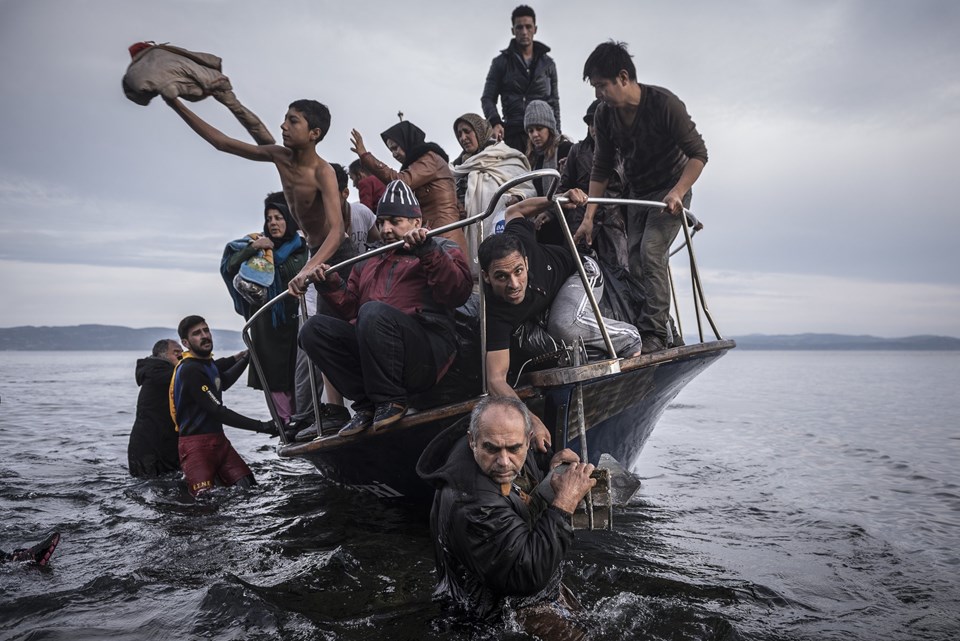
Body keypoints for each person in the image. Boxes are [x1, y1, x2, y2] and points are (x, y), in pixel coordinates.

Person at [298, 181, 473, 437]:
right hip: (376, 352)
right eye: (381, 222)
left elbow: (457, 292)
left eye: (395, 221)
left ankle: (391, 401)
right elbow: (350, 310)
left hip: (424, 353)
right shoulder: (369, 259)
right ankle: (366, 406)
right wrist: (330, 283)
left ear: (416, 222)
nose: (386, 229)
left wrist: (427, 250)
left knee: (372, 312)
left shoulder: (442, 247)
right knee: (312, 329)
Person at [478, 189, 644, 449]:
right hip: (549, 302)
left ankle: (629, 337)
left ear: (525, 261)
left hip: (580, 271)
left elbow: (515, 211)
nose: (513, 284)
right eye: (501, 277)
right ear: (486, 277)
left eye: (518, 271)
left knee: (563, 324)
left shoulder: (518, 240)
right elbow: (495, 380)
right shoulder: (495, 310)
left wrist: (558, 199)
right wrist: (529, 420)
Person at [416, 396, 594, 635]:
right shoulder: (474, 503)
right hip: (497, 613)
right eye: (491, 448)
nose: (503, 461)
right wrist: (564, 501)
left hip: (522, 591)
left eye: (513, 448)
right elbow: (525, 575)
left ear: (527, 440)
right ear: (473, 441)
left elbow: (518, 501)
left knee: (592, 627)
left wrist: (550, 477)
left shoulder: (497, 445)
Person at [574, 41, 708, 351]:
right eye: (594, 87)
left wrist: (678, 191)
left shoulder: (663, 104)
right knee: (634, 262)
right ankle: (659, 328)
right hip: (638, 194)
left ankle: (655, 336)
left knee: (651, 252)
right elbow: (601, 168)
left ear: (623, 77)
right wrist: (589, 218)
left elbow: (698, 155)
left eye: (601, 85)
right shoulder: (605, 117)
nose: (598, 94)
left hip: (670, 193)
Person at [163, 96, 347, 298]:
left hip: (335, 253)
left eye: (293, 121)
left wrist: (307, 268)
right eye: (285, 119)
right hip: (314, 254)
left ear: (314, 133)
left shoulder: (323, 172)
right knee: (319, 325)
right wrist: (175, 104)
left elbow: (337, 232)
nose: (283, 126)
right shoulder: (280, 156)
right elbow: (222, 143)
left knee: (343, 319)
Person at [221, 192, 307, 425]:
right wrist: (254, 248)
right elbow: (229, 267)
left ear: (288, 220)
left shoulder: (301, 249)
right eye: (269, 219)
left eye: (279, 217)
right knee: (274, 376)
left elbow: (297, 274)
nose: (273, 223)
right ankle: (286, 423)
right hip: (266, 325)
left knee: (299, 374)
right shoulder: (256, 246)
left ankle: (304, 419)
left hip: (295, 322)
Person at [171, 315, 277, 495]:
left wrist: (246, 358)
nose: (204, 335)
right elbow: (217, 411)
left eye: (206, 330)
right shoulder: (190, 369)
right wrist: (264, 426)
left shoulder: (206, 364)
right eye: (197, 333)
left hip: (219, 442)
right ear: (186, 343)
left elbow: (224, 381)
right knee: (204, 503)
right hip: (196, 447)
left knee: (249, 489)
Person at [350, 121, 468, 254]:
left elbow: (400, 181)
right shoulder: (420, 163)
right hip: (431, 235)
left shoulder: (429, 159)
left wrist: (365, 156)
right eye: (391, 151)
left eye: (395, 148)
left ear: (407, 141)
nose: (394, 154)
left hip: (444, 236)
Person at [450, 113, 535, 271]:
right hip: (466, 235)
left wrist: (517, 198)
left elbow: (528, 190)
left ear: (480, 130)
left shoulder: (505, 157)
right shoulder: (458, 167)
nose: (463, 138)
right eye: (459, 134)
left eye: (467, 131)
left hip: (502, 234)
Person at [560, 99, 629, 270]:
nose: (594, 128)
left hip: (613, 224)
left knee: (619, 275)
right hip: (579, 221)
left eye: (599, 123)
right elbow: (563, 187)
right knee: (576, 270)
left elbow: (633, 193)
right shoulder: (576, 151)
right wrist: (549, 212)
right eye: (591, 124)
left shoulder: (627, 153)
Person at [481, 5, 560, 153]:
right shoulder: (500, 62)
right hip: (513, 133)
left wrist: (558, 133)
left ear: (535, 29)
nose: (524, 32)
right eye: (519, 27)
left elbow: (554, 102)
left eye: (528, 27)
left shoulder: (548, 64)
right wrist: (495, 122)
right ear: (513, 30)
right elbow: (487, 98)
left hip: (543, 134)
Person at [127, 338, 183, 477]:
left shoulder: (161, 372)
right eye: (176, 352)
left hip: (159, 445)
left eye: (182, 352)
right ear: (161, 355)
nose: (181, 356)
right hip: (148, 450)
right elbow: (200, 374)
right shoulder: (161, 374)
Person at [523, 100, 574, 245]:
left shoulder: (566, 150)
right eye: (530, 130)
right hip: (541, 228)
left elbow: (571, 185)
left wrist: (551, 212)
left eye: (539, 128)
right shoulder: (531, 159)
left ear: (550, 128)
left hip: (565, 224)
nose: (535, 135)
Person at [333, 162, 380, 254]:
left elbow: (379, 245)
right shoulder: (317, 223)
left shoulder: (363, 212)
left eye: (328, 194)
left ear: (345, 193)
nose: (354, 184)